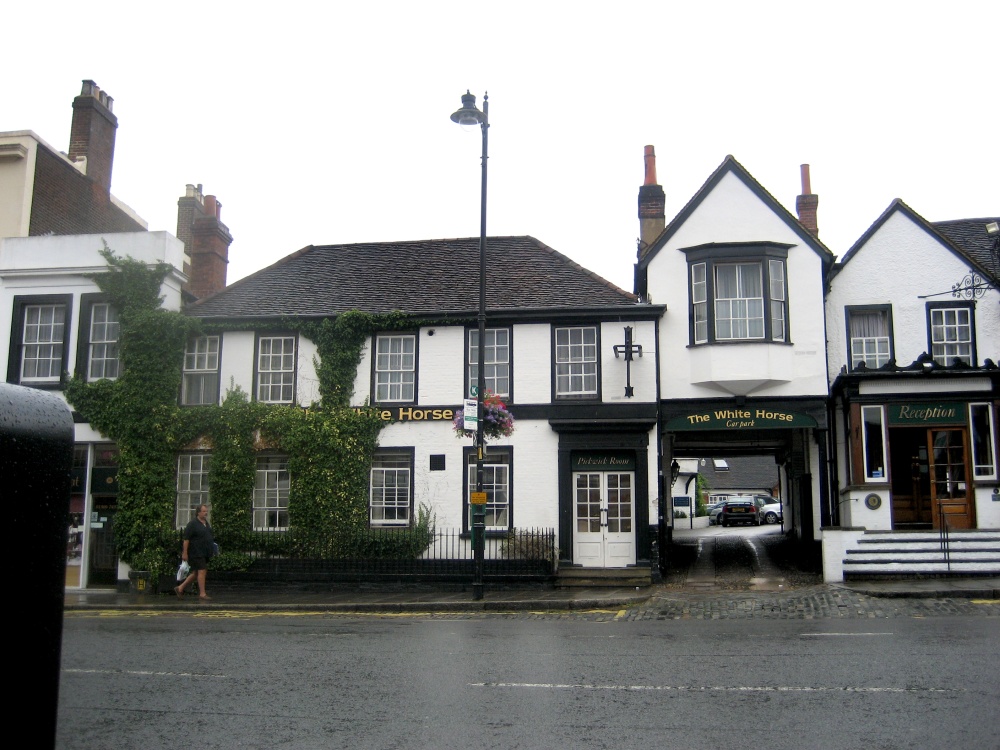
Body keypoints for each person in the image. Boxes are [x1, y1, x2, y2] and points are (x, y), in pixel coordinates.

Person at [175, 504, 215, 600]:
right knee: (202, 571)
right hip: (196, 552)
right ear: (198, 512)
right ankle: (202, 593)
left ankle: (180, 588)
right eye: (204, 511)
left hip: (204, 552)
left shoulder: (206, 523)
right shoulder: (192, 524)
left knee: (196, 573)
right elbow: (186, 539)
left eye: (206, 511)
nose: (206, 513)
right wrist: (185, 553)